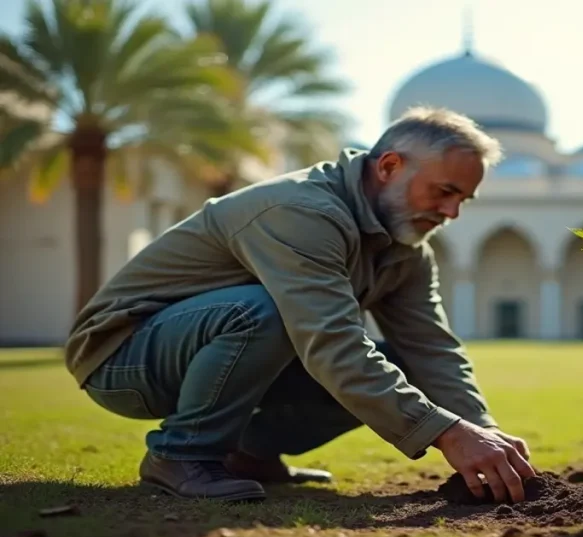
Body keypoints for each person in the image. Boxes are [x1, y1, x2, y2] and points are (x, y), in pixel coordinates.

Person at [63, 107, 535, 504]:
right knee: (264, 308)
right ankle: (182, 454)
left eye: (463, 200)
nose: (451, 213)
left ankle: (248, 455)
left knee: (398, 363)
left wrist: (483, 433)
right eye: (444, 191)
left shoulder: (406, 250)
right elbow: (331, 340)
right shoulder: (302, 211)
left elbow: (432, 347)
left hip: (211, 356)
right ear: (389, 166)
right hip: (124, 360)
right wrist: (449, 434)